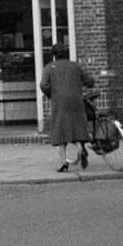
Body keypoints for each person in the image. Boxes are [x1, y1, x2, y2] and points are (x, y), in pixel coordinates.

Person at [40, 42, 95, 172]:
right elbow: (90, 81)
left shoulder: (49, 67)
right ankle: (81, 149)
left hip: (59, 101)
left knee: (60, 130)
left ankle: (64, 162)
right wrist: (83, 84)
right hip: (76, 100)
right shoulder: (76, 66)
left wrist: (50, 94)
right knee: (76, 125)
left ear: (54, 56)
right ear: (66, 53)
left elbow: (43, 85)